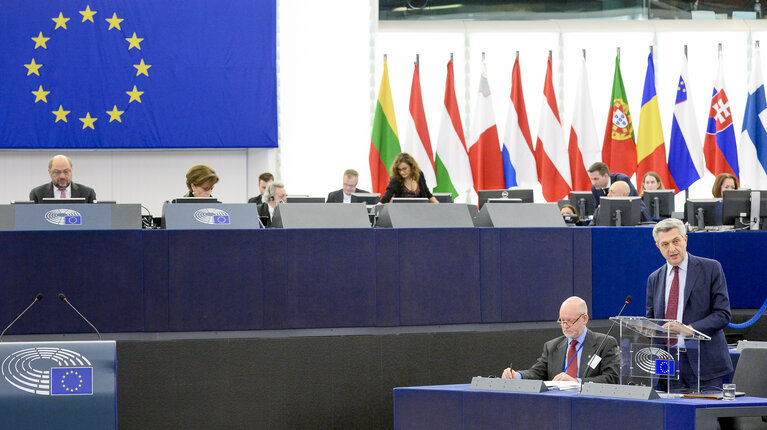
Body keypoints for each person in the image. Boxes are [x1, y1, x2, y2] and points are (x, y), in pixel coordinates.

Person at [646, 218, 733, 391]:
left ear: (685, 240)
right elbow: (652, 318)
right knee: (671, 417)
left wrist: (690, 329)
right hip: (667, 365)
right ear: (658, 247)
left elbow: (722, 314)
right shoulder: (654, 278)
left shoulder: (710, 269)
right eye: (665, 244)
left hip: (704, 363)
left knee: (704, 417)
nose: (672, 249)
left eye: (676, 241)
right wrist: (646, 328)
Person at [501, 296, 620, 384]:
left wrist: (576, 381)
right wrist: (517, 375)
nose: (565, 325)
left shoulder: (605, 344)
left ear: (584, 319)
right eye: (562, 321)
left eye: (569, 321)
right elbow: (537, 372)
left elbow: (612, 378)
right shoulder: (552, 346)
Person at [29, 155, 97, 203]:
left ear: (72, 170)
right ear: (49, 172)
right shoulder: (37, 193)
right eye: (57, 172)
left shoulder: (87, 193)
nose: (62, 176)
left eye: (66, 171)